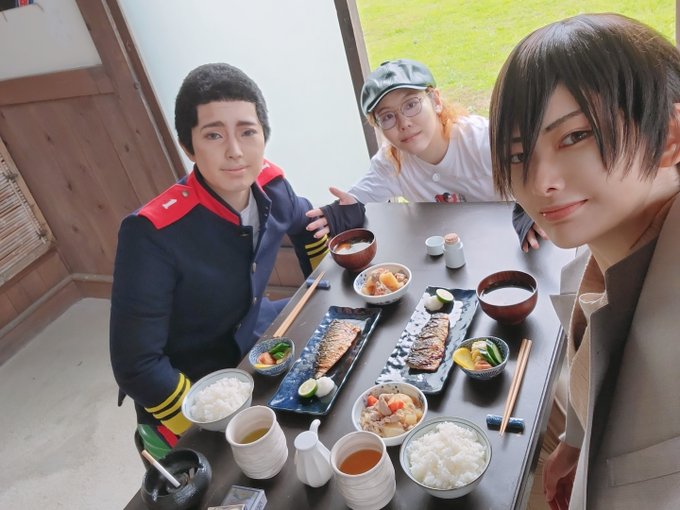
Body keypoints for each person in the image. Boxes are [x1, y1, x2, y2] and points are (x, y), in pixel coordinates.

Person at [109, 63, 364, 460]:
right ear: (188, 146)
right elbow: (136, 364)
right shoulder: (151, 232)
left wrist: (328, 265)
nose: (235, 151)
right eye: (214, 134)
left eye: (247, 131)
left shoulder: (271, 185)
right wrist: (203, 424)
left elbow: (307, 224)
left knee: (356, 364)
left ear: (264, 135)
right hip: (195, 383)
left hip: (257, 342)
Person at [489, 13, 680, 509]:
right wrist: (575, 443)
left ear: (669, 137)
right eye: (518, 155)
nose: (540, 182)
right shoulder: (604, 242)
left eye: (575, 136)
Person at [306, 58, 545, 250]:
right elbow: (358, 200)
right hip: (447, 255)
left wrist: (531, 209)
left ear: (436, 101)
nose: (404, 123)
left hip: (509, 244)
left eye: (411, 104)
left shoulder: (481, 140)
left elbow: (536, 171)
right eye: (387, 117)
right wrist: (341, 213)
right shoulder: (392, 162)